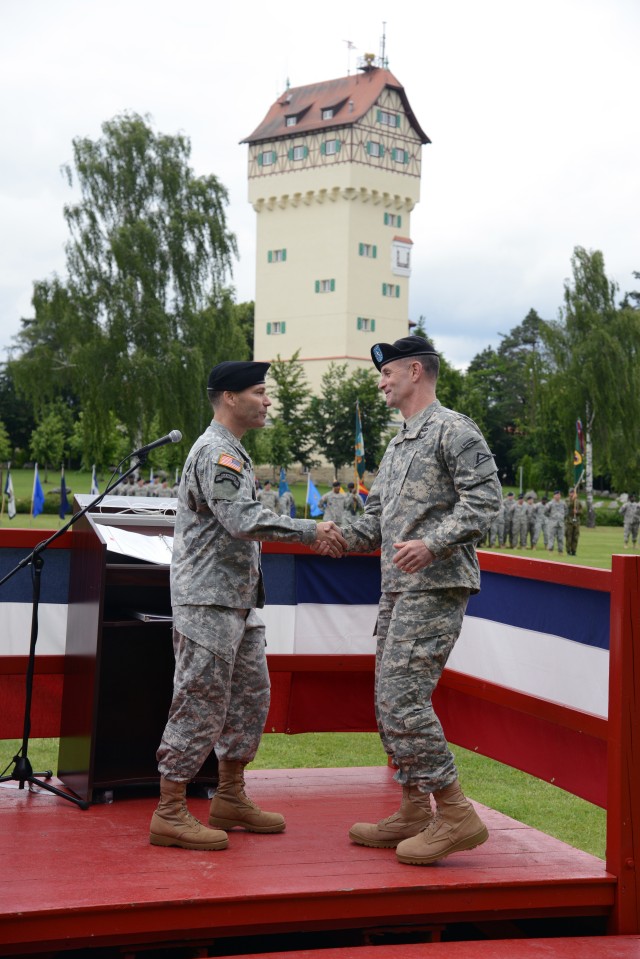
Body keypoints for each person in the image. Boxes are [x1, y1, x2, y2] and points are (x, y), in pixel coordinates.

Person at [150, 360, 347, 851]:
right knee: (200, 702)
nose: (267, 401)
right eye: (260, 392)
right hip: (207, 602)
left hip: (236, 602)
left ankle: (231, 794)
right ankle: (169, 810)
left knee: (249, 698)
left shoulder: (231, 451)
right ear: (231, 398)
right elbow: (241, 519)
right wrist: (309, 529)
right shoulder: (217, 453)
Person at [327, 335, 501, 866]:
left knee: (404, 697)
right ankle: (412, 808)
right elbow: (376, 520)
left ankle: (453, 812)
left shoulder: (454, 429)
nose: (381, 381)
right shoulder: (400, 442)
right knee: (388, 700)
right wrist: (334, 537)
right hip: (398, 588)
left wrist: (433, 543)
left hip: (437, 584)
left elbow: (487, 500)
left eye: (388, 373)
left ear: (415, 372)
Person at [565, 488, 583, 556]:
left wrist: (577, 512)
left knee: (575, 537)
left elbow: (581, 510)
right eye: (571, 493)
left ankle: (574, 551)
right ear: (569, 493)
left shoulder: (578, 501)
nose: (572, 494)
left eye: (573, 493)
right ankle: (568, 551)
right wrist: (573, 500)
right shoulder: (567, 500)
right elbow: (568, 506)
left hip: (576, 521)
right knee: (569, 537)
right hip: (569, 521)